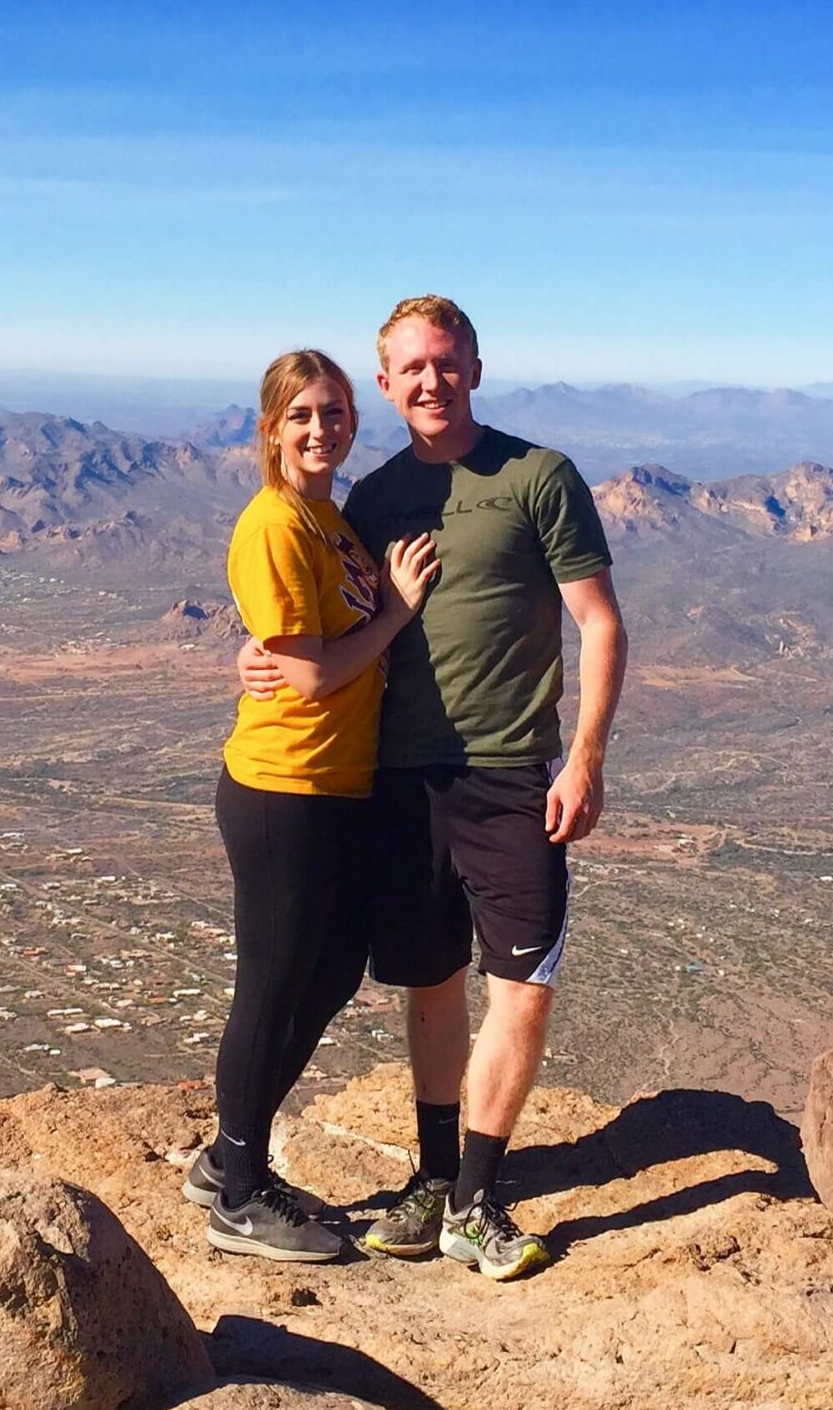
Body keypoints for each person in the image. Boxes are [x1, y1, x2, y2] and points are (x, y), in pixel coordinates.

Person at [240, 295, 628, 1281]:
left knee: (523, 986)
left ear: (475, 368)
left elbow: (599, 624)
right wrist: (262, 656)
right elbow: (325, 619)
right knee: (427, 981)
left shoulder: (537, 477)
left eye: (445, 363)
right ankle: (431, 1175)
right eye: (410, 367)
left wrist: (582, 758)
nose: (429, 380)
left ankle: (472, 1199)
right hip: (397, 779)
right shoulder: (367, 501)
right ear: (385, 383)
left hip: (509, 772)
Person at [194, 347, 438, 1261]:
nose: (319, 428)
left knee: (331, 971)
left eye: (333, 412)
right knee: (272, 979)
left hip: (335, 786)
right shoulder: (274, 525)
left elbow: (298, 651)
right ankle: (239, 1195)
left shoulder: (327, 517)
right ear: (270, 429)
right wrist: (398, 613)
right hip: (282, 789)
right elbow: (308, 673)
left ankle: (229, 1156)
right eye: (300, 415)